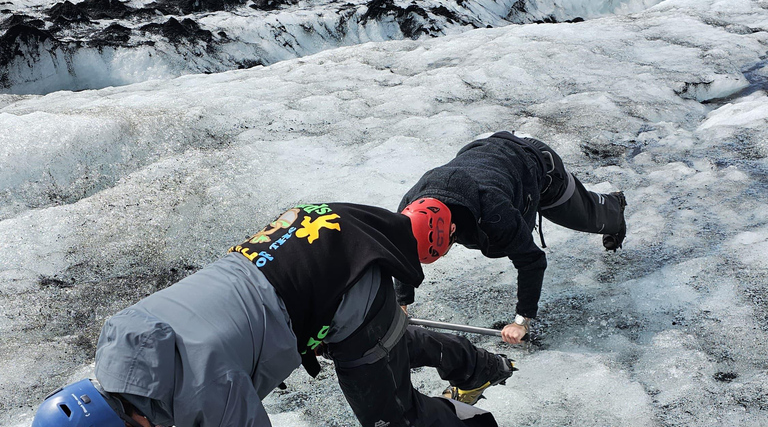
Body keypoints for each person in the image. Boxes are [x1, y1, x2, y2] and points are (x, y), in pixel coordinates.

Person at [31, 202, 514, 427]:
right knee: (380, 342)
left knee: (391, 416)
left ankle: (473, 419)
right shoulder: (120, 341)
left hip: (340, 279)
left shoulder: (204, 390)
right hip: (298, 242)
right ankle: (478, 364)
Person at [396, 131, 626, 358]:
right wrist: (401, 303)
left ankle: (616, 204)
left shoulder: (494, 211)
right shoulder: (410, 210)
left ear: (452, 229)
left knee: (586, 217)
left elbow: (531, 260)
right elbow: (402, 254)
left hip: (536, 164)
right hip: (486, 158)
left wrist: (521, 321)